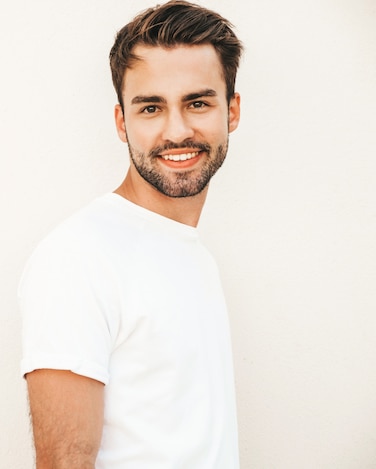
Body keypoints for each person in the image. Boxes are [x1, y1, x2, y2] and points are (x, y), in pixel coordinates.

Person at [19, 1, 243, 467]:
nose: (176, 130)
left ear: (232, 112)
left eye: (198, 102)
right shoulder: (78, 257)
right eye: (151, 107)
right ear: (122, 122)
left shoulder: (196, 256)